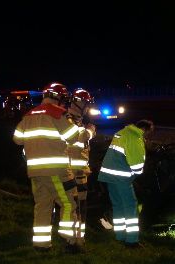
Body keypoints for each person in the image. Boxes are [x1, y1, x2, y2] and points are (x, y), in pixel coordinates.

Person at [13, 82, 82, 253]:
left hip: (35, 172)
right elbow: (73, 137)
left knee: (42, 206)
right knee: (68, 204)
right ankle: (70, 241)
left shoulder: (29, 115)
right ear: (59, 98)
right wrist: (84, 131)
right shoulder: (57, 114)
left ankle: (41, 245)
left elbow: (17, 139)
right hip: (57, 171)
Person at [97, 119, 154, 247]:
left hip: (109, 176)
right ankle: (132, 240)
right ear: (145, 130)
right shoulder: (135, 138)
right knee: (131, 206)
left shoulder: (123, 132)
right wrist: (139, 173)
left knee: (118, 205)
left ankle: (120, 235)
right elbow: (137, 165)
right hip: (121, 177)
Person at [65, 88, 97, 242]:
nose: (87, 107)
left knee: (81, 205)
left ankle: (80, 237)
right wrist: (90, 131)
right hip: (70, 171)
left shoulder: (78, 121)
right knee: (71, 206)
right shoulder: (67, 118)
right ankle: (71, 237)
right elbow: (76, 138)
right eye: (86, 103)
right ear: (78, 102)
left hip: (81, 172)